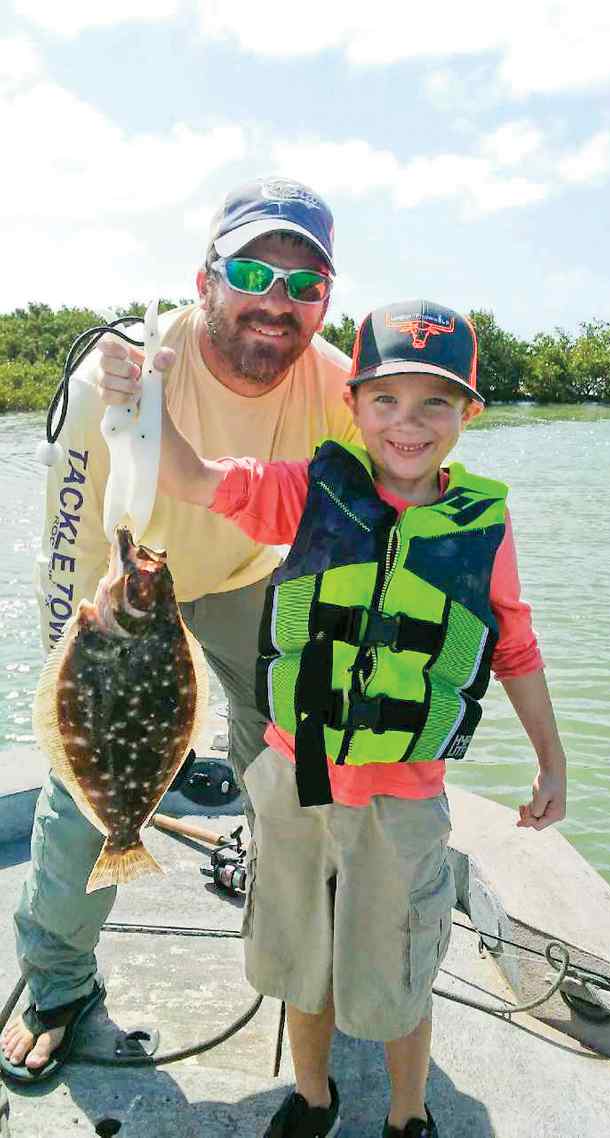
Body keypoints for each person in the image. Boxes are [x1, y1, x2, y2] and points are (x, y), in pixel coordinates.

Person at [99, 297, 567, 1137]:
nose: (408, 424)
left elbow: (515, 649)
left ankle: (407, 1114)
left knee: (399, 971)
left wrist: (552, 761)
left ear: (469, 413)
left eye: (435, 402)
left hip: (404, 798)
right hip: (293, 779)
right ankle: (313, 1097)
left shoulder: (483, 526)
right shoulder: (308, 491)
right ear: (350, 404)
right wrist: (142, 403)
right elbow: (196, 478)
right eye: (385, 398)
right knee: (297, 960)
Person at [0, 176, 359, 1084]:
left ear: (325, 300)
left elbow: (382, 509)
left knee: (287, 762)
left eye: (304, 284)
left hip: (248, 580)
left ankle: (294, 950)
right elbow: (68, 545)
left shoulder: (342, 388)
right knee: (85, 791)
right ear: (204, 280)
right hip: (124, 593)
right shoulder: (117, 377)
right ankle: (57, 982)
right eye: (252, 271)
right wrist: (71, 682)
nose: (277, 302)